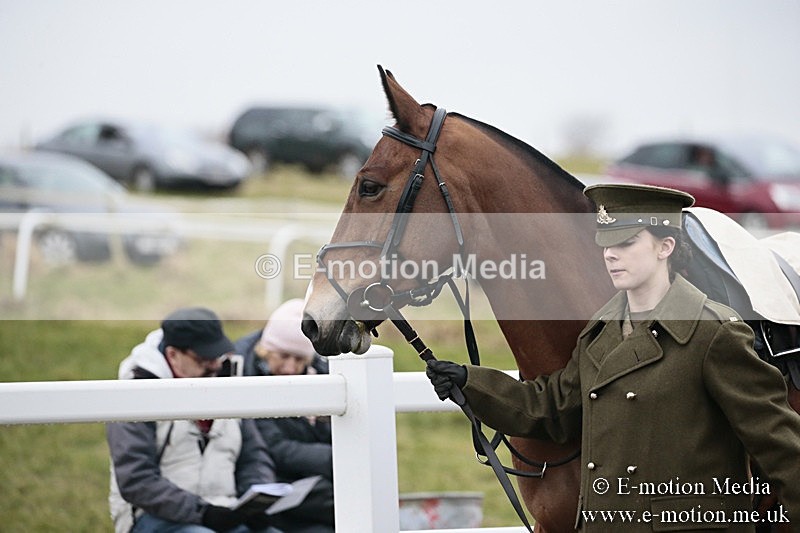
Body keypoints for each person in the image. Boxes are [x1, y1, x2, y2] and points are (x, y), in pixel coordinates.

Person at [427, 184, 800, 532]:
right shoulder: (601, 330)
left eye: (626, 242)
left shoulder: (714, 333)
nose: (611, 254)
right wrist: (469, 382)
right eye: (606, 244)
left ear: (665, 246)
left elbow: (783, 450)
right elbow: (552, 407)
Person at [107, 307, 281, 533]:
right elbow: (137, 481)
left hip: (224, 513)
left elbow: (254, 455)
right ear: (172, 355)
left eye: (217, 355)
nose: (215, 366)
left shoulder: (227, 382)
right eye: (203, 359)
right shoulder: (134, 395)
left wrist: (255, 503)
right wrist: (203, 513)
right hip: (151, 518)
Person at [235, 298, 335, 533]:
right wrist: (336, 457)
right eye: (283, 356)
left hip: (311, 479)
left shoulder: (322, 376)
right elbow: (271, 446)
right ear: (266, 350)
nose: (290, 368)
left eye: (298, 359)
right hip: (272, 483)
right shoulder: (241, 379)